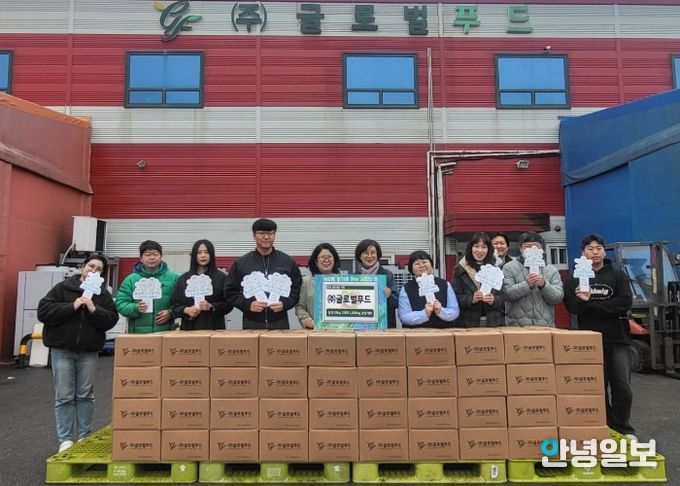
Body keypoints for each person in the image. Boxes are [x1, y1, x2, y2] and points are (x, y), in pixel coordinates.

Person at [37, 253, 118, 453]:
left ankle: (84, 436)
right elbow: (44, 311)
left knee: (85, 395)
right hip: (62, 350)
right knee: (64, 396)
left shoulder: (103, 295)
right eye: (91, 266)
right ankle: (65, 439)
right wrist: (73, 305)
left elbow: (111, 319)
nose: (94, 271)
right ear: (83, 267)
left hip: (89, 352)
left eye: (99, 269)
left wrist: (93, 308)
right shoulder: (63, 288)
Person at [564, 234, 635, 437]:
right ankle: (606, 426)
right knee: (596, 387)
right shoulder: (574, 279)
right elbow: (573, 308)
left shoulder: (618, 275)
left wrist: (590, 304)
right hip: (588, 341)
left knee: (622, 386)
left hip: (618, 339)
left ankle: (623, 427)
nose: (594, 252)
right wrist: (582, 301)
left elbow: (623, 303)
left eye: (598, 248)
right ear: (583, 253)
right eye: (590, 248)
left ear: (604, 251)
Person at [224, 218, 302, 329]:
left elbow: (297, 289)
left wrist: (285, 304)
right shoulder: (242, 263)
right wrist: (247, 304)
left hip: (280, 322)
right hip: (251, 322)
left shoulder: (287, 262)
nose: (266, 237)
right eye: (261, 233)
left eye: (270, 233)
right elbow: (230, 292)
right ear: (254, 235)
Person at [115, 240, 180, 333]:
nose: (152, 258)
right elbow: (120, 303)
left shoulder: (174, 278)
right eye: (147, 254)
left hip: (166, 332)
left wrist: (171, 312)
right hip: (138, 334)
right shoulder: (130, 280)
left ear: (161, 257)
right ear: (141, 258)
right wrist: (136, 308)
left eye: (155, 254)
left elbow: (182, 302)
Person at [503, 231, 564, 326]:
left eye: (536, 246)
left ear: (542, 248)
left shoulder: (552, 270)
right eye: (527, 246)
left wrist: (544, 285)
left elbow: (557, 297)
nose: (532, 249)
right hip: (517, 326)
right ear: (521, 249)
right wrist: (526, 284)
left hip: (545, 326)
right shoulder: (509, 267)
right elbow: (507, 294)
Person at [171, 239, 232, 330]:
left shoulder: (221, 278)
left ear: (211, 255)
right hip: (189, 328)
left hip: (214, 328)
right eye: (199, 252)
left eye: (206, 252)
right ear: (194, 255)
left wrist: (212, 306)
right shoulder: (183, 279)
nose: (203, 255)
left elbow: (229, 303)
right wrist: (186, 310)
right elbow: (175, 305)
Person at [452, 232, 506, 327]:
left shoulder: (495, 269)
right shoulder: (461, 269)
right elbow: (455, 296)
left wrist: (494, 300)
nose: (480, 250)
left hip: (494, 322)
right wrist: (471, 299)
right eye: (476, 246)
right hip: (468, 323)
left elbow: (504, 296)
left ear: (489, 249)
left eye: (484, 247)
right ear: (471, 248)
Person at [398, 250, 460, 328]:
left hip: (444, 331)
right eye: (417, 263)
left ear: (431, 264)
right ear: (411, 269)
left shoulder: (445, 285)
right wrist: (425, 313)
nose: (422, 265)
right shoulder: (406, 289)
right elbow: (404, 316)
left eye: (424, 262)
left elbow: (454, 311)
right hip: (415, 332)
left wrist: (441, 311)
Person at [296, 243, 341, 329]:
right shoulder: (306, 281)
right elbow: (300, 306)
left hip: (339, 330)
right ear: (316, 262)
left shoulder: (343, 280)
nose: (326, 260)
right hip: (314, 329)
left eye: (329, 257)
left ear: (334, 260)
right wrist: (305, 319)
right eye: (322, 257)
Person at [355, 239, 398, 328]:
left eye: (373, 252)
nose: (369, 256)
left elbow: (396, 303)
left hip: (384, 326)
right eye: (366, 253)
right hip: (360, 325)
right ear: (360, 256)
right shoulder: (354, 277)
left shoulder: (387, 275)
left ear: (377, 255)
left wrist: (389, 296)